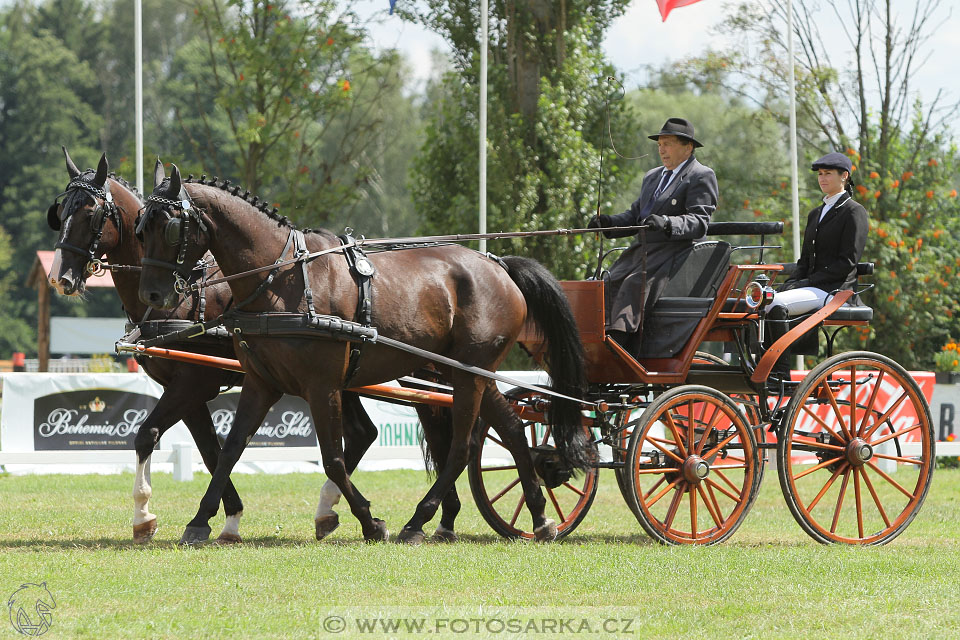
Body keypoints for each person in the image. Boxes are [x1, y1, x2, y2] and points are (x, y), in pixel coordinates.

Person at [587, 117, 718, 353]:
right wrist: (607, 223)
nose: (661, 150)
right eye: (659, 144)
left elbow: (699, 221)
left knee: (633, 283)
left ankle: (620, 343)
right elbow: (635, 217)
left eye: (667, 144)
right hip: (644, 252)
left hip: (677, 254)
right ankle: (597, 338)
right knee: (605, 282)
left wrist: (667, 222)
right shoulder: (652, 177)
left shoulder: (701, 175)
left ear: (687, 147)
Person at [765, 151, 869, 384]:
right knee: (765, 297)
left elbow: (847, 263)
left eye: (828, 174)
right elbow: (804, 262)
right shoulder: (815, 214)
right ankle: (761, 363)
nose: (822, 179)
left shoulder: (854, 212)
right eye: (820, 174)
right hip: (813, 287)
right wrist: (792, 281)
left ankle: (779, 372)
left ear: (844, 176)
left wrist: (808, 282)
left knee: (776, 303)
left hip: (836, 290)